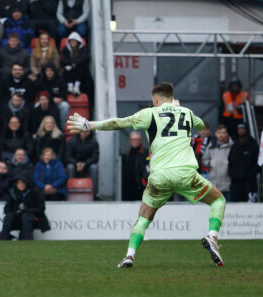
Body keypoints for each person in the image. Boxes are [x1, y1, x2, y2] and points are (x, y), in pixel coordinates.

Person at [67, 82, 228, 268]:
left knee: (143, 218)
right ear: (172, 97)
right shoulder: (187, 112)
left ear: (155, 99)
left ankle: (129, 256)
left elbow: (119, 122)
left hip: (159, 176)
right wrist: (180, 108)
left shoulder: (150, 113)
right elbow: (203, 126)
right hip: (186, 174)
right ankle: (212, 236)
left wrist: (89, 125)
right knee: (218, 201)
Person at [0, 175, 50, 240]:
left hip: (35, 219)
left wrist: (26, 210)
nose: (21, 185)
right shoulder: (12, 193)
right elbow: (6, 208)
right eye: (19, 183)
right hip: (17, 218)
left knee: (26, 216)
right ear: (16, 184)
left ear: (26, 183)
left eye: (23, 182)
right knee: (9, 216)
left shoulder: (34, 192)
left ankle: (28, 240)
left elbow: (41, 208)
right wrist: (15, 212)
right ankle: (3, 239)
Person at [228, 123, 259, 202]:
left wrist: (251, 174)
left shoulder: (253, 145)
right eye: (239, 129)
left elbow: (258, 163)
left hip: (249, 184)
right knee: (236, 208)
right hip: (236, 184)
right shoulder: (234, 146)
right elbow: (230, 162)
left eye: (243, 128)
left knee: (251, 208)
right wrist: (232, 174)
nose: (241, 131)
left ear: (246, 130)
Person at [202, 124, 233, 201]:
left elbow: (235, 162)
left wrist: (228, 165)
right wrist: (210, 163)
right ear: (216, 134)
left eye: (223, 133)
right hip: (214, 183)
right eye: (219, 133)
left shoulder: (231, 146)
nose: (221, 135)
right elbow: (204, 159)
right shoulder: (211, 145)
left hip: (227, 183)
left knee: (227, 208)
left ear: (226, 134)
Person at [35, 63, 69, 128]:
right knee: (36, 106)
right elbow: (38, 94)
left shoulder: (61, 80)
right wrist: (51, 100)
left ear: (54, 71)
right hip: (45, 102)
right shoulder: (40, 81)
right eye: (47, 71)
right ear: (44, 72)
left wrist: (61, 98)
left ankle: (61, 129)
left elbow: (64, 93)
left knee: (65, 106)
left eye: (51, 70)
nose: (49, 72)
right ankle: (39, 129)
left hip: (58, 102)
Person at [121, 131, 149, 201]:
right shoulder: (127, 155)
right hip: (129, 189)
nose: (135, 141)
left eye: (137, 139)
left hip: (142, 188)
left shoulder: (146, 153)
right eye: (133, 139)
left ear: (140, 141)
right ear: (130, 141)